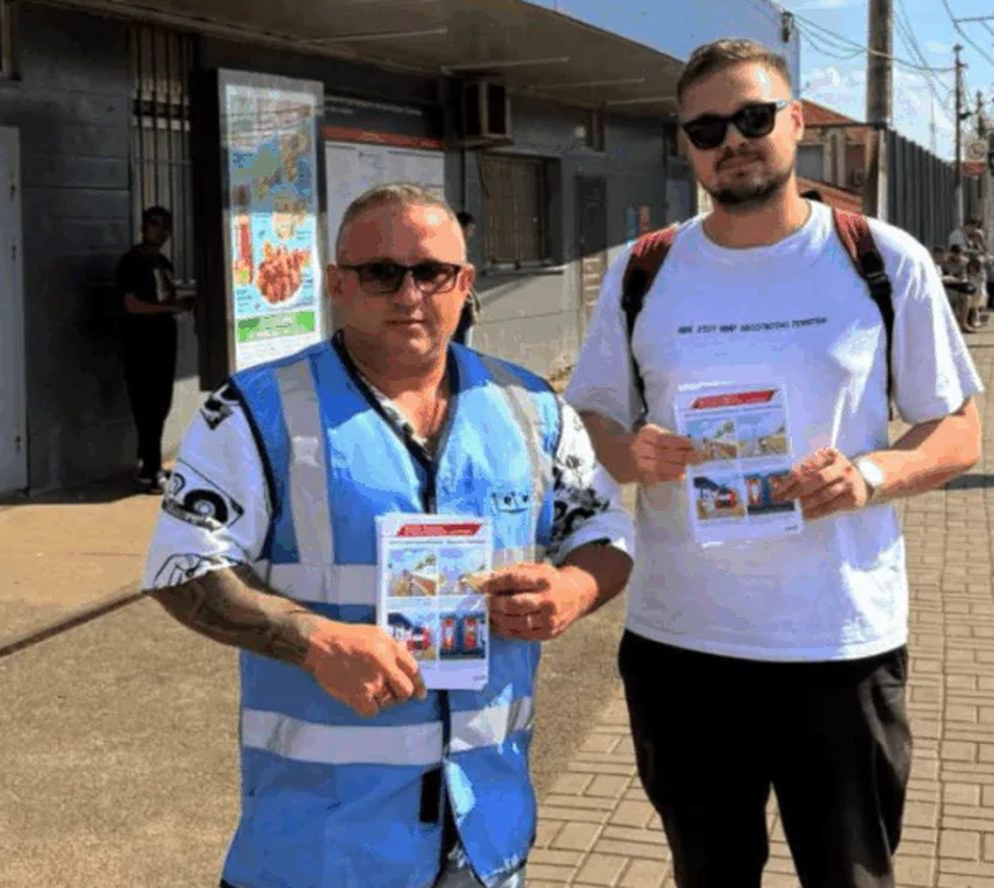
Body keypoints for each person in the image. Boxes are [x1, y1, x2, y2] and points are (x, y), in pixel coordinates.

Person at [565, 37, 984, 888]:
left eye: (754, 117)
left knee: (851, 876)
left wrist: (867, 476)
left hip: (836, 643)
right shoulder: (643, 271)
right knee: (708, 874)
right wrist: (630, 452)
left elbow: (959, 431)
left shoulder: (881, 258)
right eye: (708, 126)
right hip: (682, 642)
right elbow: (593, 416)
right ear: (686, 144)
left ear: (796, 123)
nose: (733, 140)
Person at [141, 184, 636, 888]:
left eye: (432, 272)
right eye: (381, 273)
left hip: (485, 837)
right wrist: (310, 640)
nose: (409, 292)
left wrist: (574, 589)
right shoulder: (255, 411)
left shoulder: (531, 406)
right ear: (338, 284)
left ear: (464, 285)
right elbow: (182, 566)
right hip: (320, 848)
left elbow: (607, 526)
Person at [116, 206, 193, 493]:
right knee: (146, 406)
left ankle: (147, 462)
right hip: (141, 344)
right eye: (155, 225)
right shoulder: (132, 262)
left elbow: (165, 297)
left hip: (164, 341)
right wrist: (169, 307)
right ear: (144, 227)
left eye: (166, 227)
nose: (161, 232)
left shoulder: (163, 262)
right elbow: (132, 304)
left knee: (160, 405)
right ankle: (151, 468)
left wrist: (179, 305)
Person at [453, 211, 482, 345]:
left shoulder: (457, 247)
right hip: (458, 308)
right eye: (470, 229)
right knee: (462, 350)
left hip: (460, 307)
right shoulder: (452, 249)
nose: (471, 234)